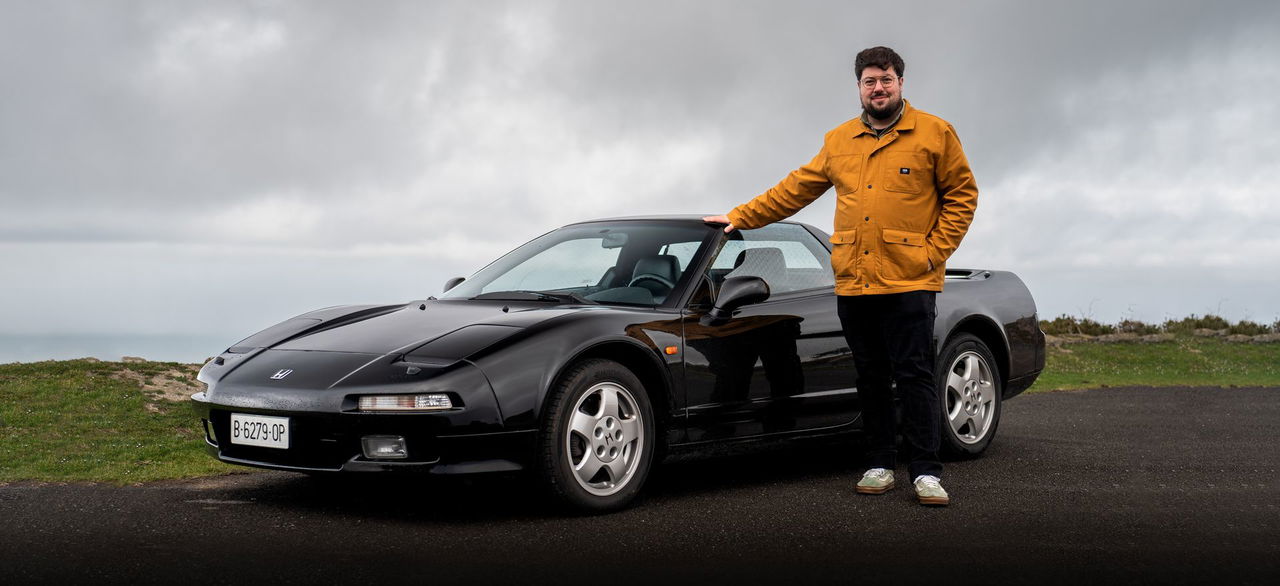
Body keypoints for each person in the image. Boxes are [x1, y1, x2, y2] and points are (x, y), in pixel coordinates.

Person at [702, 46, 977, 506]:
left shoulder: (934, 132)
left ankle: (926, 471)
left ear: (901, 83)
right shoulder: (839, 140)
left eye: (886, 79)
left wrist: (932, 253)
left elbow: (963, 197)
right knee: (870, 376)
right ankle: (880, 462)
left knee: (914, 374)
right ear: (859, 87)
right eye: (870, 81)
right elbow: (795, 189)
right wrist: (740, 217)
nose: (878, 88)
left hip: (910, 281)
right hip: (855, 281)